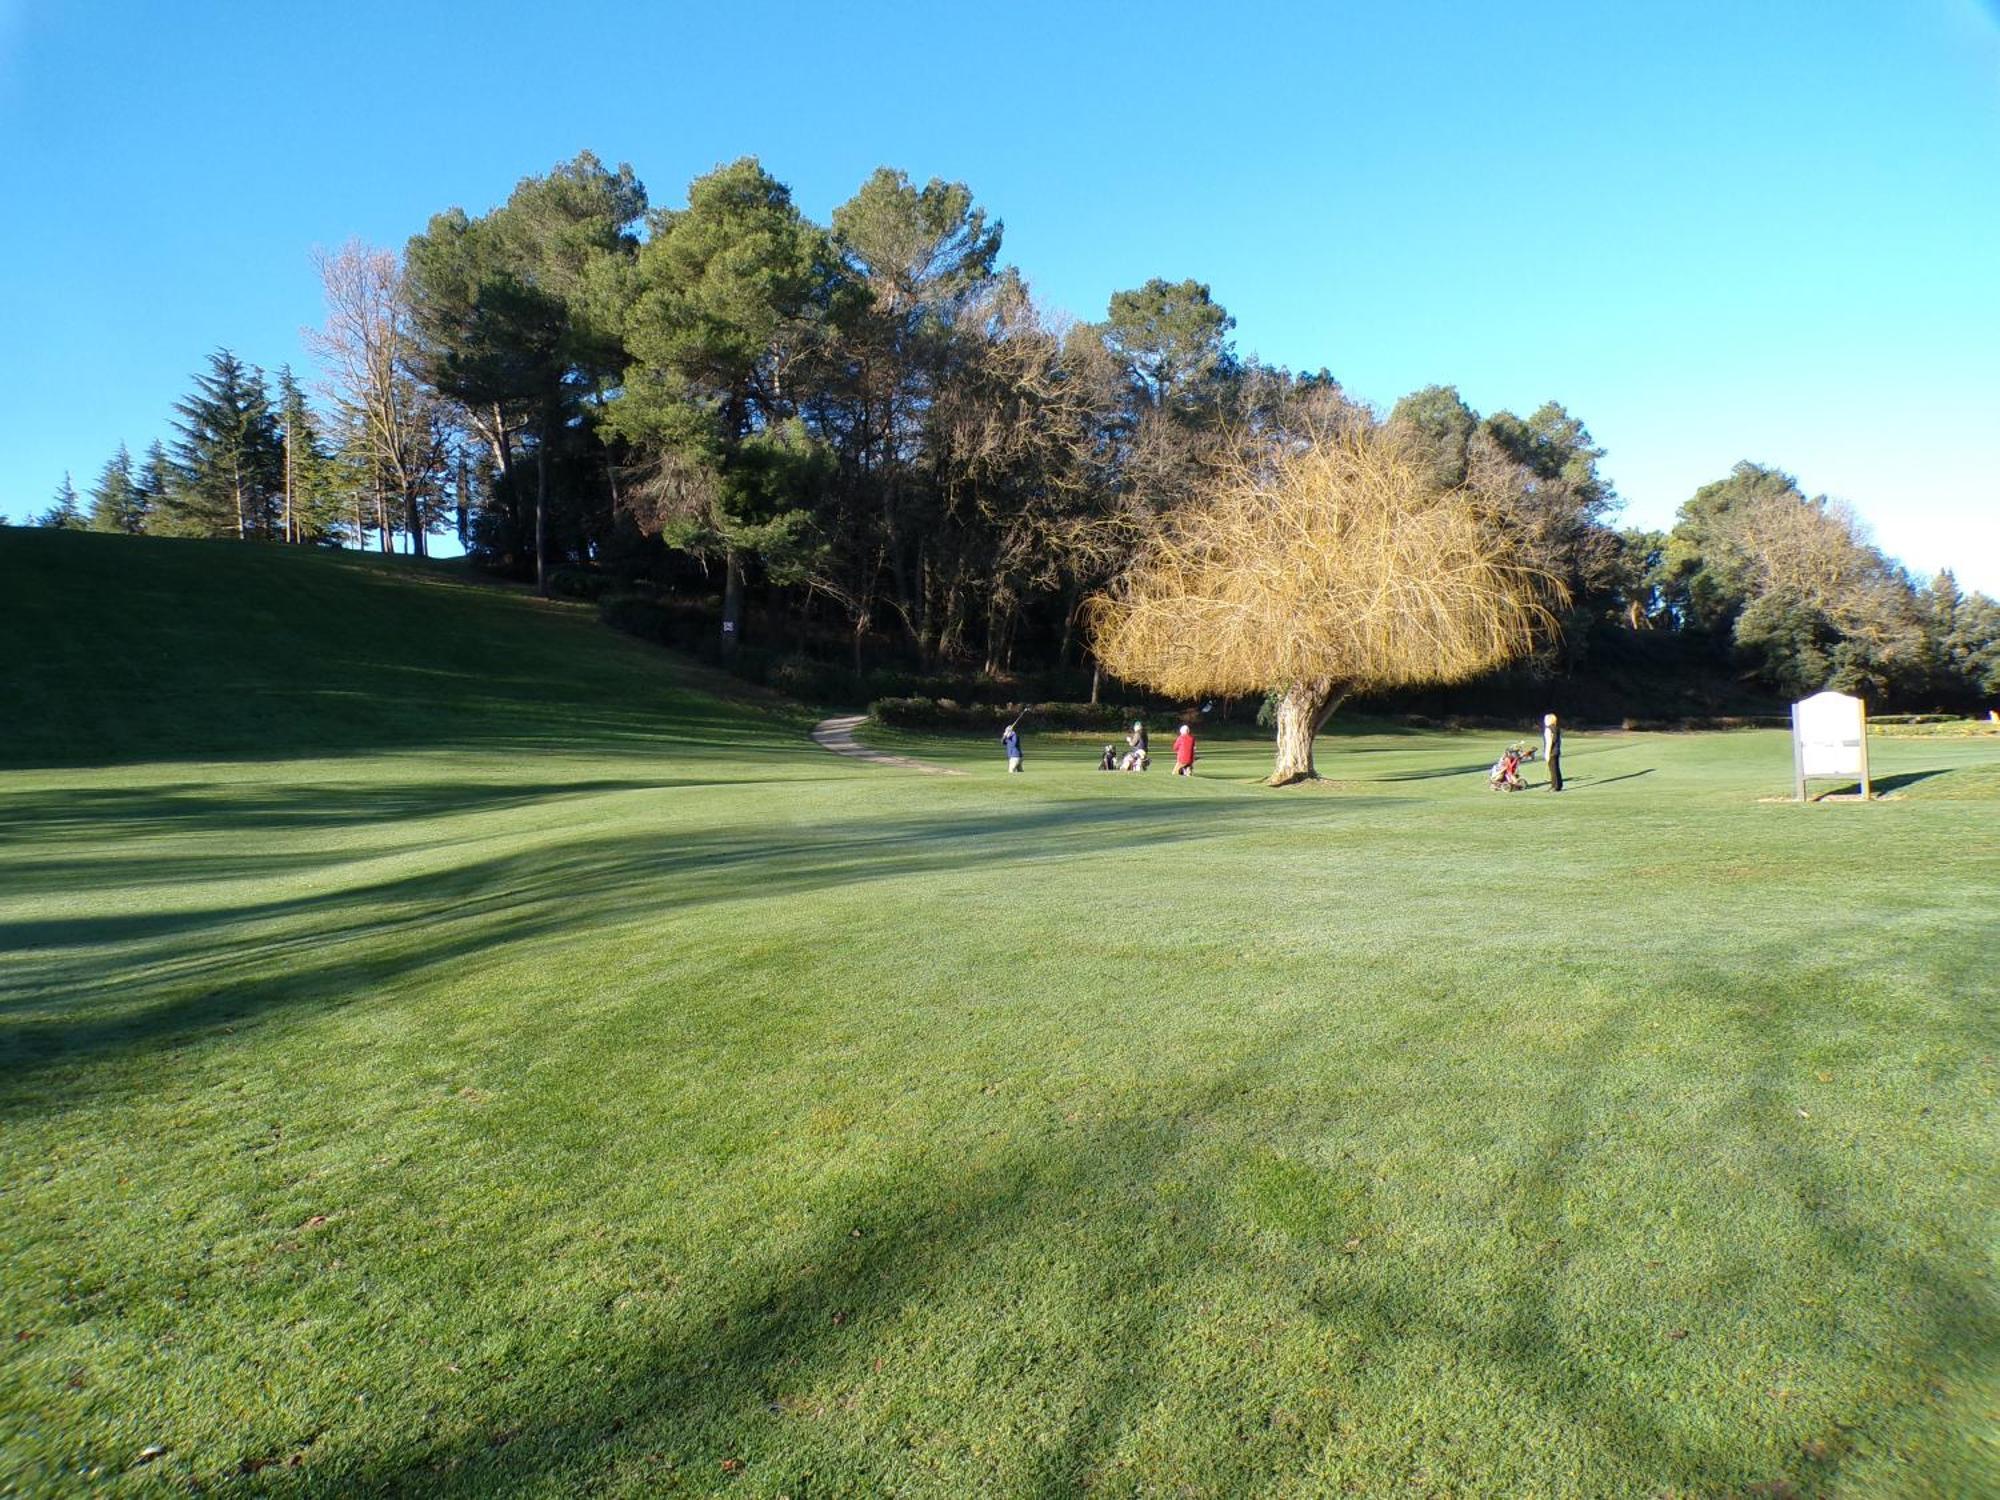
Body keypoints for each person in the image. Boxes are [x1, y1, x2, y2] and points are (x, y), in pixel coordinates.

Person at [1542, 712, 1563, 792]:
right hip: (1557, 750)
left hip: (1552, 751)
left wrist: (1547, 753)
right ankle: (1559, 785)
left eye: (1545, 719)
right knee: (1556, 769)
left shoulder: (1548, 729)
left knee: (1553, 770)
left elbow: (1549, 742)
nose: (1544, 721)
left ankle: (1554, 786)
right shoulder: (1556, 728)